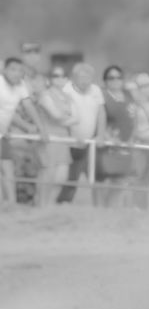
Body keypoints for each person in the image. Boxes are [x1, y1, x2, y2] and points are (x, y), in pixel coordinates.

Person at [0, 57, 48, 205]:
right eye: (13, 69)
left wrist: (41, 129)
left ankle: (12, 203)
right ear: (4, 70)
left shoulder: (21, 86)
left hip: (2, 134)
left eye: (20, 70)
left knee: (7, 167)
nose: (16, 73)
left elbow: (28, 106)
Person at [56, 63, 106, 204]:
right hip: (69, 143)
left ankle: (97, 206)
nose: (85, 80)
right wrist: (69, 136)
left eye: (88, 77)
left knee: (91, 175)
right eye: (82, 77)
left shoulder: (96, 90)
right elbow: (62, 114)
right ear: (74, 77)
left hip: (89, 142)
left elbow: (101, 113)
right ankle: (59, 202)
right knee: (68, 175)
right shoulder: (66, 90)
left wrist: (101, 134)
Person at [95, 65, 137, 207]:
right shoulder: (103, 96)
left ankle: (111, 209)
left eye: (118, 77)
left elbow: (134, 119)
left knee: (121, 181)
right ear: (105, 81)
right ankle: (100, 210)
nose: (115, 80)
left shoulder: (129, 96)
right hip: (108, 146)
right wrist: (108, 138)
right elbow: (99, 118)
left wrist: (132, 138)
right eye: (111, 78)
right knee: (103, 180)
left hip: (125, 146)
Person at [36, 67, 78, 205]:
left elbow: (77, 118)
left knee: (61, 177)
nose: (59, 78)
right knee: (48, 174)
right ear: (50, 78)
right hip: (49, 139)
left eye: (62, 75)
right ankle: (41, 204)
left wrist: (63, 118)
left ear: (66, 79)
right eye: (55, 75)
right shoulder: (45, 95)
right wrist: (66, 116)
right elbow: (56, 115)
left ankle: (50, 204)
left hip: (63, 139)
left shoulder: (68, 97)